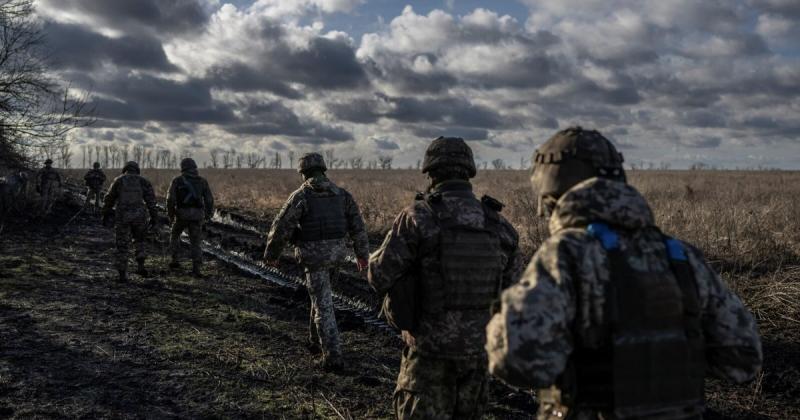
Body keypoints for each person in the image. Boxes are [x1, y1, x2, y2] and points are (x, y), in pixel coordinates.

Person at [485, 127, 763, 420]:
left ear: (549, 189)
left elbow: (517, 359)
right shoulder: (681, 255)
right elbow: (742, 359)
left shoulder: (567, 253)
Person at [369, 137, 523, 419]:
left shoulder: (417, 217)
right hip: (477, 356)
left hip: (428, 354)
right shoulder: (501, 227)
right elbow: (514, 297)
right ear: (469, 172)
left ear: (430, 173)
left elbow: (379, 275)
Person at [263, 152, 369, 371]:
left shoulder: (300, 196)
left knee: (323, 306)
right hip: (337, 256)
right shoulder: (342, 195)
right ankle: (314, 341)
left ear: (303, 173)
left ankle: (332, 356)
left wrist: (272, 255)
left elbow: (281, 227)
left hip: (313, 259)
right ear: (323, 170)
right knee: (321, 297)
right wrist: (362, 255)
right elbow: (358, 227)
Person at [101, 161, 158, 282]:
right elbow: (151, 202)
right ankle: (141, 266)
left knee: (122, 244)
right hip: (140, 216)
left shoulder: (119, 180)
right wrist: (154, 218)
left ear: (125, 169)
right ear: (137, 169)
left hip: (123, 216)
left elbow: (109, 198)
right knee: (140, 241)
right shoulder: (143, 181)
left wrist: (105, 213)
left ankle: (122, 274)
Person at [166, 157, 214, 277]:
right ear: (194, 167)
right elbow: (209, 200)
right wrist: (208, 214)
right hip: (197, 216)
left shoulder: (177, 181)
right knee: (195, 242)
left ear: (182, 168)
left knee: (175, 235)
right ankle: (196, 269)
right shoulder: (202, 181)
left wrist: (171, 215)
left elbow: (170, 200)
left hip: (181, 215)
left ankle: (174, 260)